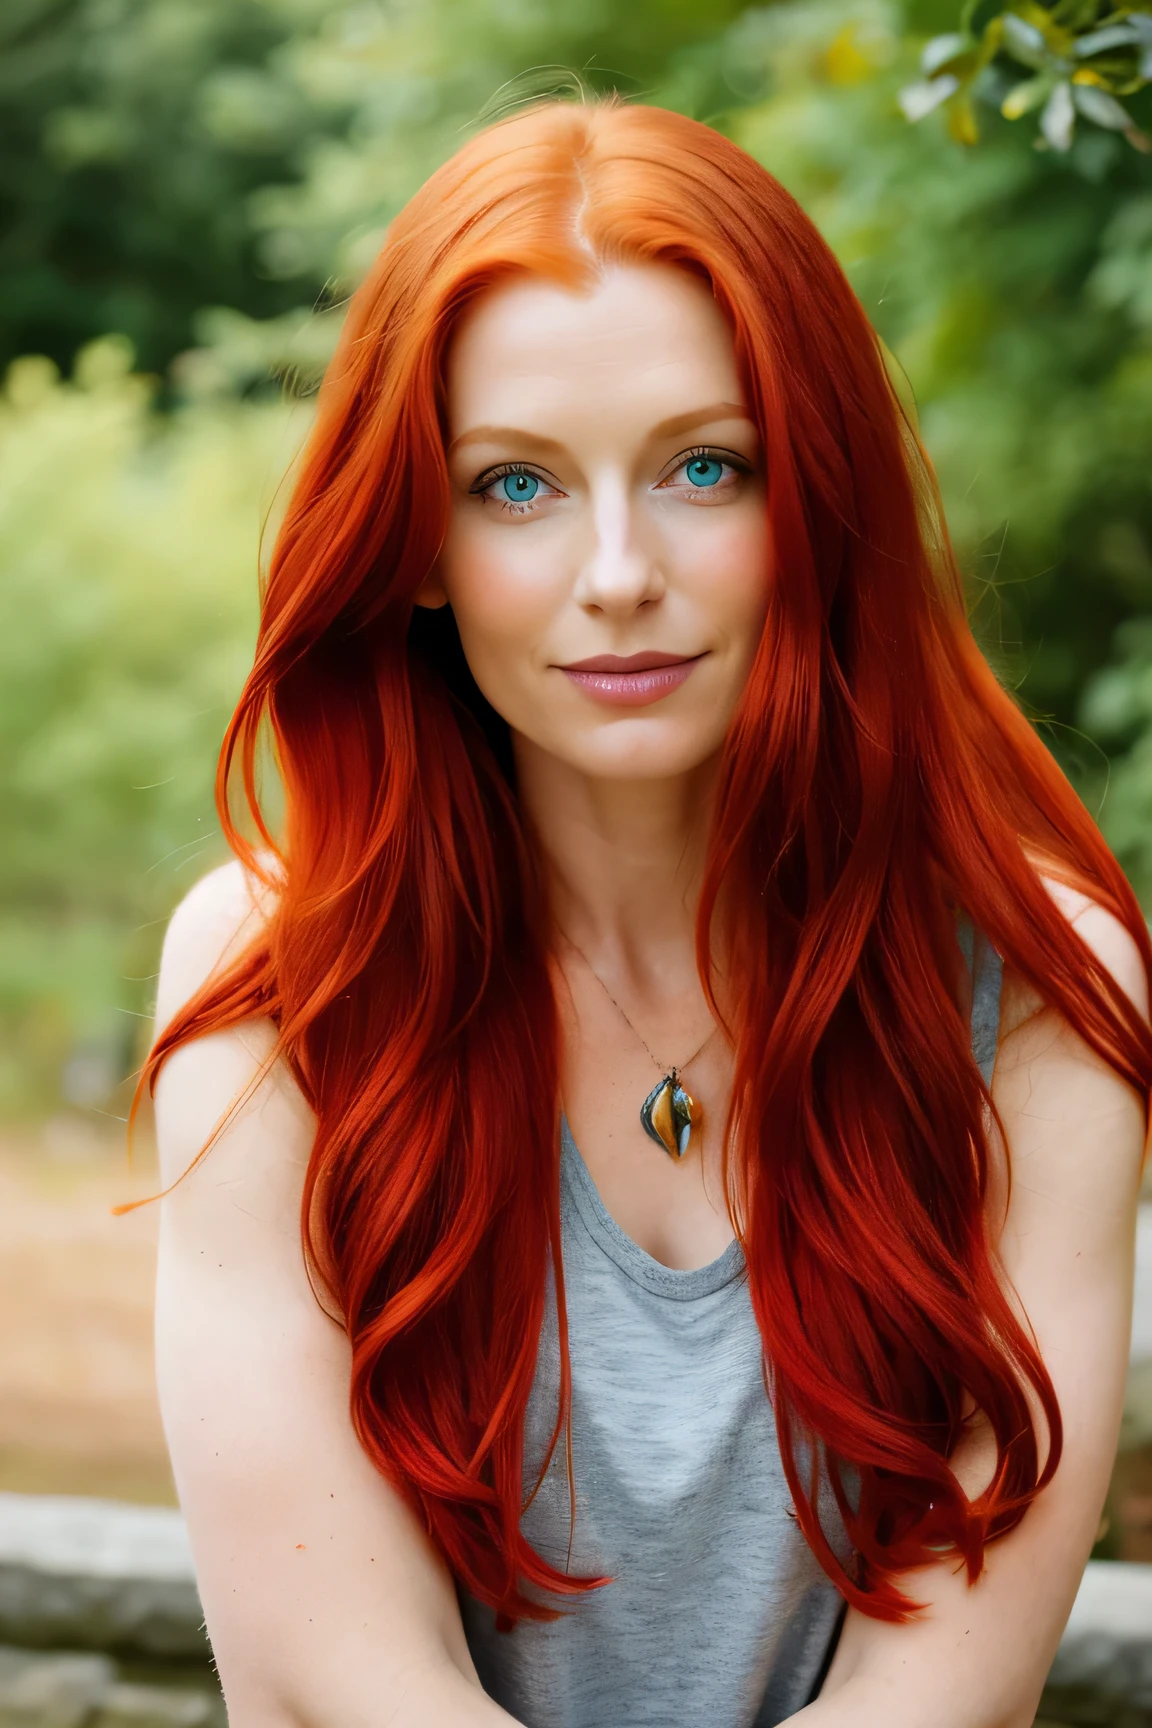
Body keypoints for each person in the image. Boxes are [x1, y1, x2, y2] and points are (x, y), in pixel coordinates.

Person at [143, 97, 1152, 1728]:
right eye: (517, 487)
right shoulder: (277, 983)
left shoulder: (1035, 993)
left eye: (704, 467)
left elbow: (946, 1700)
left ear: (813, 497)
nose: (619, 571)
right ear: (415, 541)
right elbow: (342, 1691)